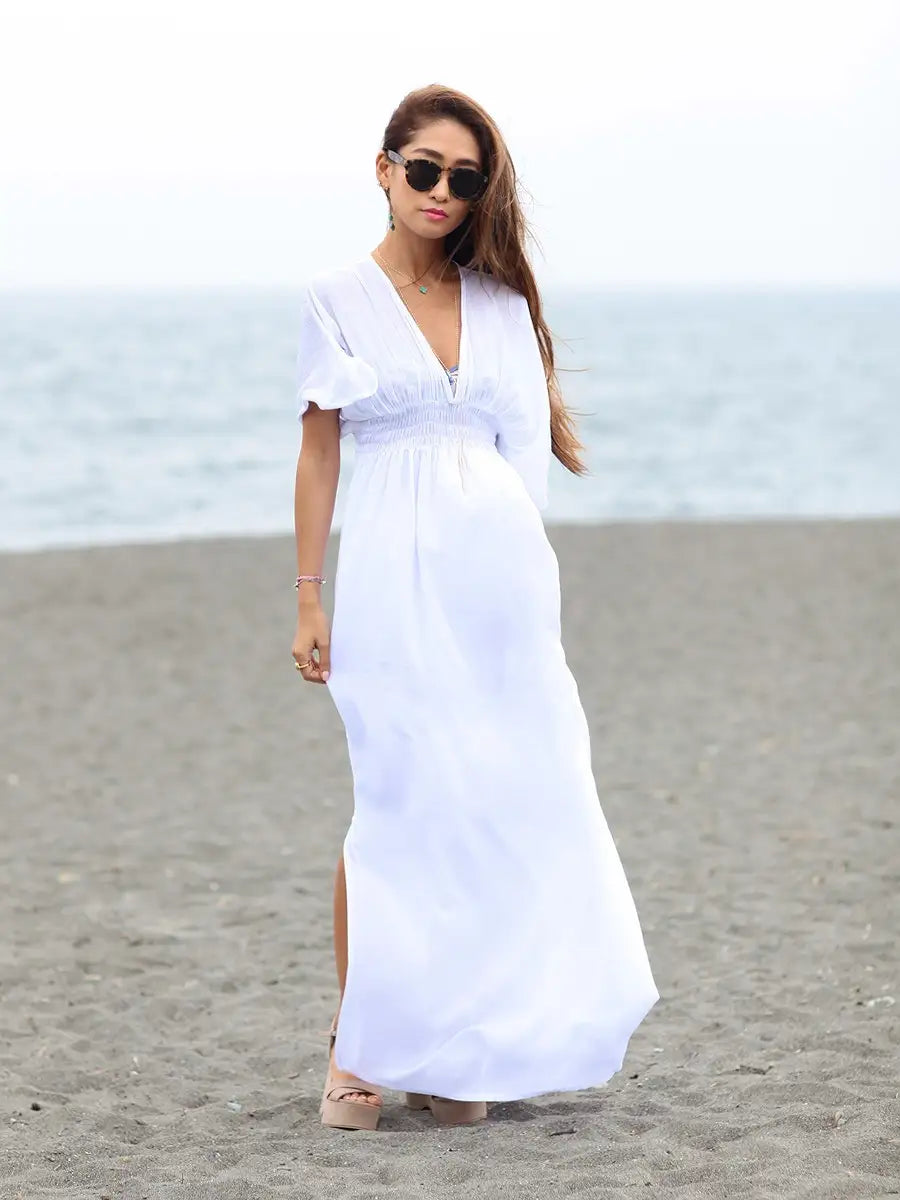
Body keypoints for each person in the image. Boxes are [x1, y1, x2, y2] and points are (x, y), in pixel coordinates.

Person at [291, 84, 660, 1131]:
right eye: (424, 170)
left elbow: (521, 460)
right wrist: (308, 594)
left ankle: (456, 1044)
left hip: (498, 582)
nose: (441, 192)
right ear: (384, 170)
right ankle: (358, 1045)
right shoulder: (336, 298)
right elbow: (318, 454)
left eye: (464, 178)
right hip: (390, 578)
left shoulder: (500, 305)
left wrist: (529, 600)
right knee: (396, 798)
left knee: (492, 799)